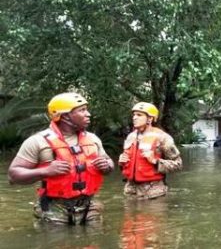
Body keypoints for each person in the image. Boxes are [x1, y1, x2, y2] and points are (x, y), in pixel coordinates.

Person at [7, 92, 114, 225]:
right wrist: (45, 171)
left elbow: (109, 164)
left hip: (89, 207)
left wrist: (107, 165)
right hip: (54, 208)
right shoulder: (38, 142)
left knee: (92, 243)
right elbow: (13, 175)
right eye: (82, 110)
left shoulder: (92, 139)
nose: (88, 114)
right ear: (65, 116)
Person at [119, 102, 182, 199]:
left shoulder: (163, 137)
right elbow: (125, 166)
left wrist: (155, 161)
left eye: (139, 115)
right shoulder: (130, 137)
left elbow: (178, 164)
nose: (134, 118)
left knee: (152, 214)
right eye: (134, 115)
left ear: (150, 118)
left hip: (153, 193)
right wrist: (121, 162)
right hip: (130, 191)